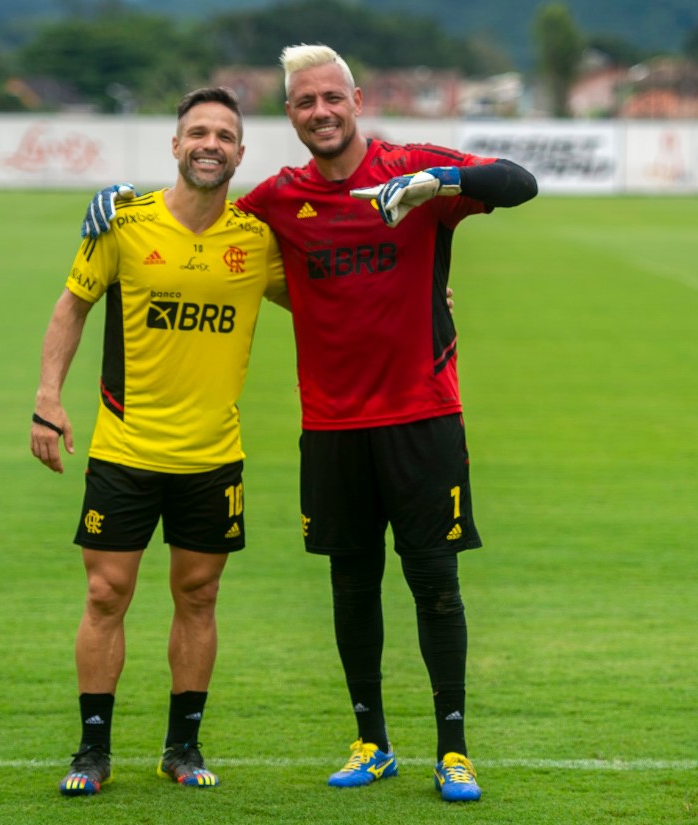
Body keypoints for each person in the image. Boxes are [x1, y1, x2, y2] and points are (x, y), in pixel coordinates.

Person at [81, 44, 537, 803]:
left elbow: (519, 182)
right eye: (304, 103)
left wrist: (437, 183)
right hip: (331, 426)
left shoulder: (412, 165)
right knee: (351, 585)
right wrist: (114, 198)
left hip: (424, 414)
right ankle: (372, 740)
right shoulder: (277, 200)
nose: (320, 112)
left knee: (436, 584)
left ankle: (453, 750)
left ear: (355, 98)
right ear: (290, 114)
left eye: (332, 98)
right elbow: (201, 217)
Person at [31, 86, 287, 797]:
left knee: (198, 596)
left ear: (241, 152)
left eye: (224, 135)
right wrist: (47, 400)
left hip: (212, 456)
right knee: (106, 594)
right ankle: (91, 751)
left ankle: (183, 745)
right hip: (125, 450)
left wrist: (424, 291)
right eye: (197, 132)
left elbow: (336, 298)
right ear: (175, 146)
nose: (211, 143)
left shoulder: (256, 238)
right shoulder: (123, 223)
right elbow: (71, 307)